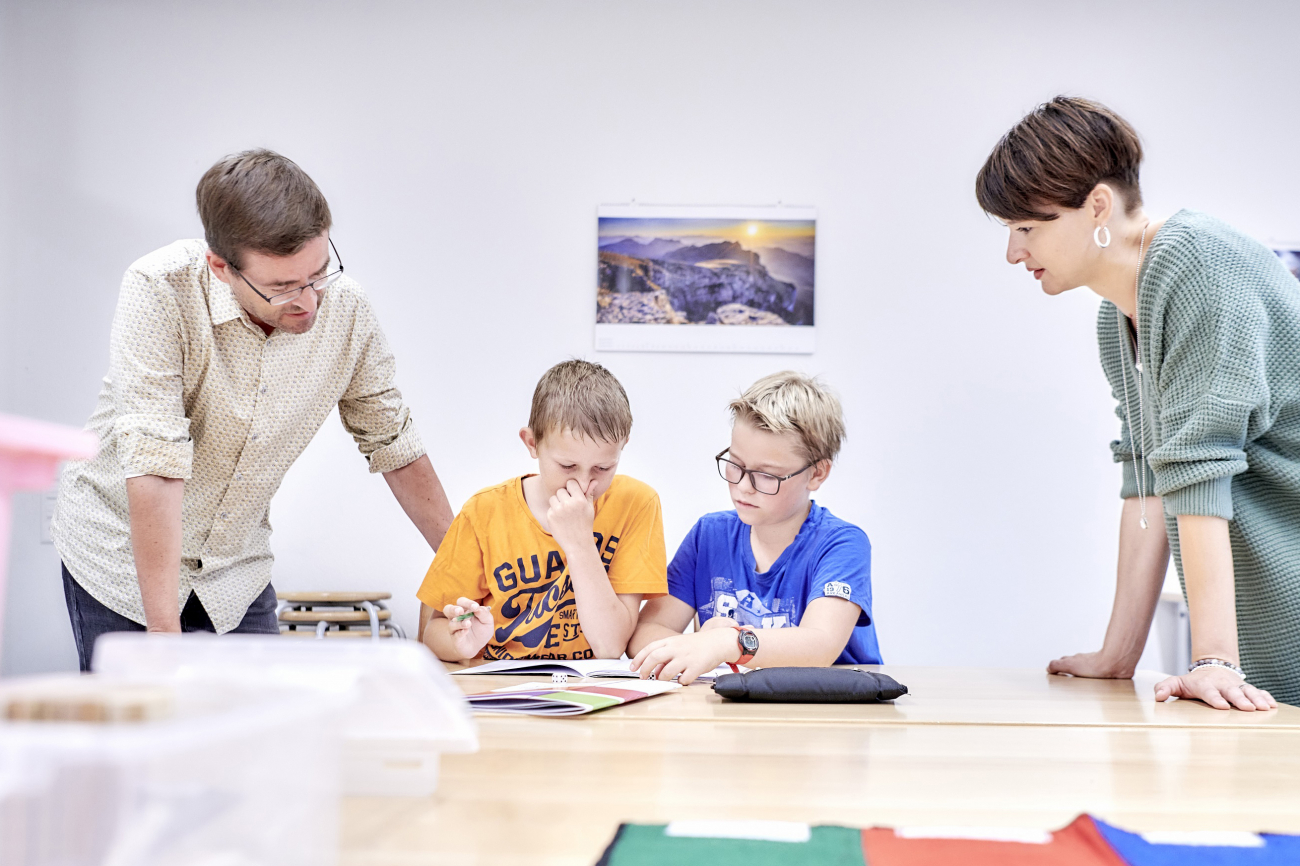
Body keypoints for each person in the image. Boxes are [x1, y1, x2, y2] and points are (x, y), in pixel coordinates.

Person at [52, 149, 453, 670]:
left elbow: (394, 443)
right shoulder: (160, 289)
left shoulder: (346, 310)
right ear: (221, 267)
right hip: (122, 561)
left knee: (256, 737)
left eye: (319, 273)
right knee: (145, 739)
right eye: (283, 287)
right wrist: (163, 637)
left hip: (233, 571)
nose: (308, 301)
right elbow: (155, 462)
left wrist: (462, 569)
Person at [976, 96, 1296, 710]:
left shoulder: (1196, 264)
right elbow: (1146, 475)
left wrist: (1213, 661)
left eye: (1026, 228)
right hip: (1269, 600)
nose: (1014, 253)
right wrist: (1118, 656)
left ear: (1097, 205)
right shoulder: (1115, 319)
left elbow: (1201, 467)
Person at [629, 371, 880, 684]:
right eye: (735, 465)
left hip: (826, 716)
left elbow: (821, 645)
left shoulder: (842, 544)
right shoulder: (709, 535)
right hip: (730, 711)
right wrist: (696, 641)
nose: (743, 487)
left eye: (766, 475)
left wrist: (727, 643)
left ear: (817, 473)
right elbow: (644, 632)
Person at [417, 360, 666, 662]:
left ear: (623, 446)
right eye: (567, 466)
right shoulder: (483, 512)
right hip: (499, 687)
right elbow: (431, 633)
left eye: (603, 468)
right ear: (532, 442)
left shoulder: (636, 504)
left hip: (589, 690)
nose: (585, 484)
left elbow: (610, 647)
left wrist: (579, 543)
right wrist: (460, 644)